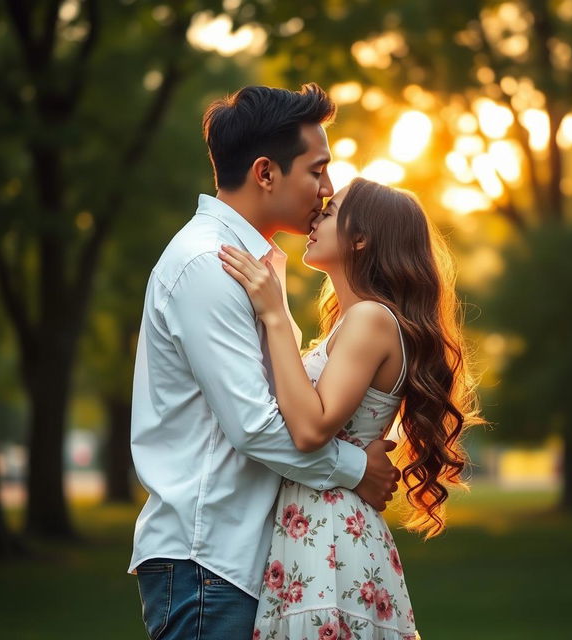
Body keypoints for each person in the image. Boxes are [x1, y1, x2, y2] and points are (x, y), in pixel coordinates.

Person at [128, 85, 401, 640]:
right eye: (317, 171)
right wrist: (357, 470)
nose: (326, 191)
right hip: (210, 560)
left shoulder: (254, 266)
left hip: (246, 561)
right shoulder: (209, 264)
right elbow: (255, 425)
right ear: (265, 173)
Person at [219, 177, 484, 639]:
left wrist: (275, 314)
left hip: (332, 537)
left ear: (361, 237)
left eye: (330, 210)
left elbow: (311, 428)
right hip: (315, 527)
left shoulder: (371, 319)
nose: (315, 216)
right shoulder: (353, 322)